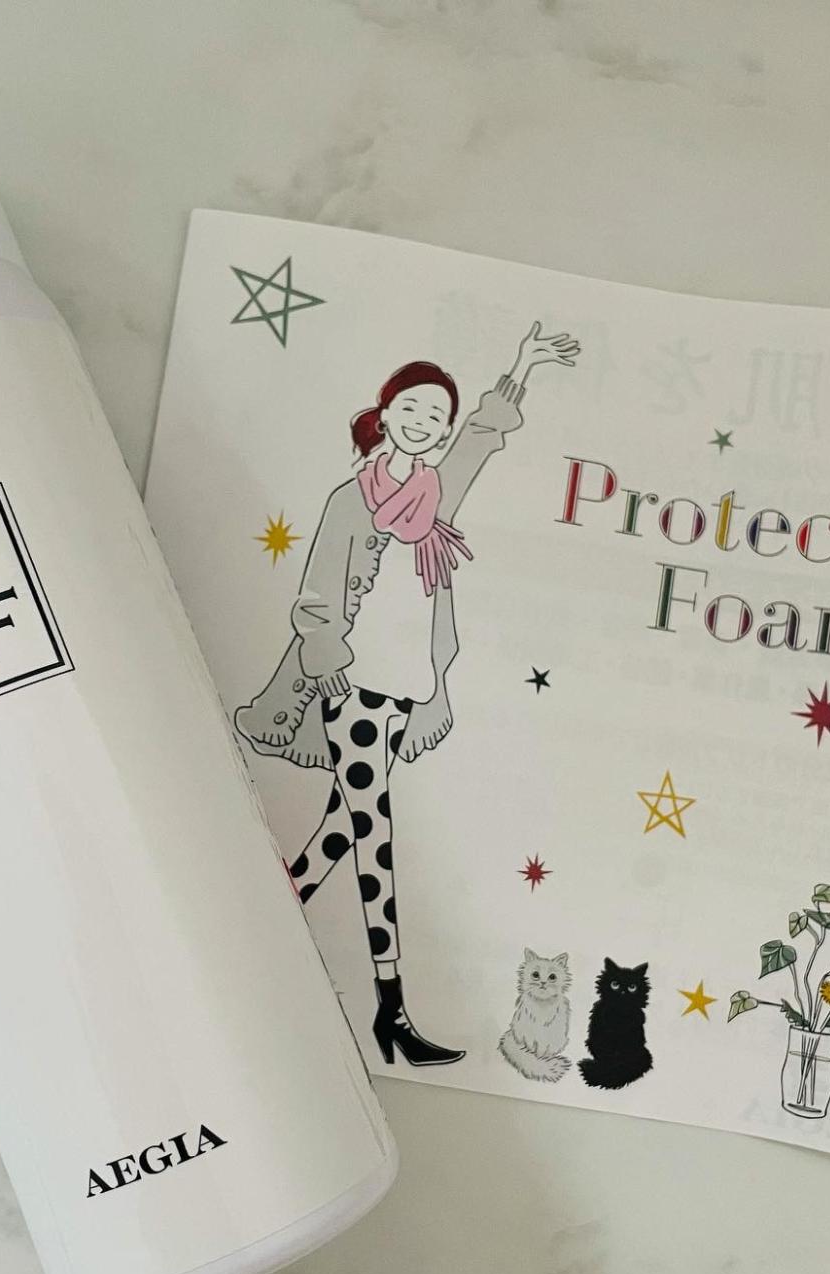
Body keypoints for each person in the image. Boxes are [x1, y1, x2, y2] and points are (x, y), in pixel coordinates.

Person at [236, 322, 578, 1065]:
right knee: (376, 831)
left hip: (403, 684)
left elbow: (485, 437)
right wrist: (326, 655)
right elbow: (317, 589)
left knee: (343, 824)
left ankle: (257, 928)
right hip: (352, 682)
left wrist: (521, 366)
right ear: (385, 412)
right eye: (413, 408)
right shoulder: (350, 499)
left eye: (437, 415)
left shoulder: (435, 493)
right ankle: (391, 1009)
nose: (426, 422)